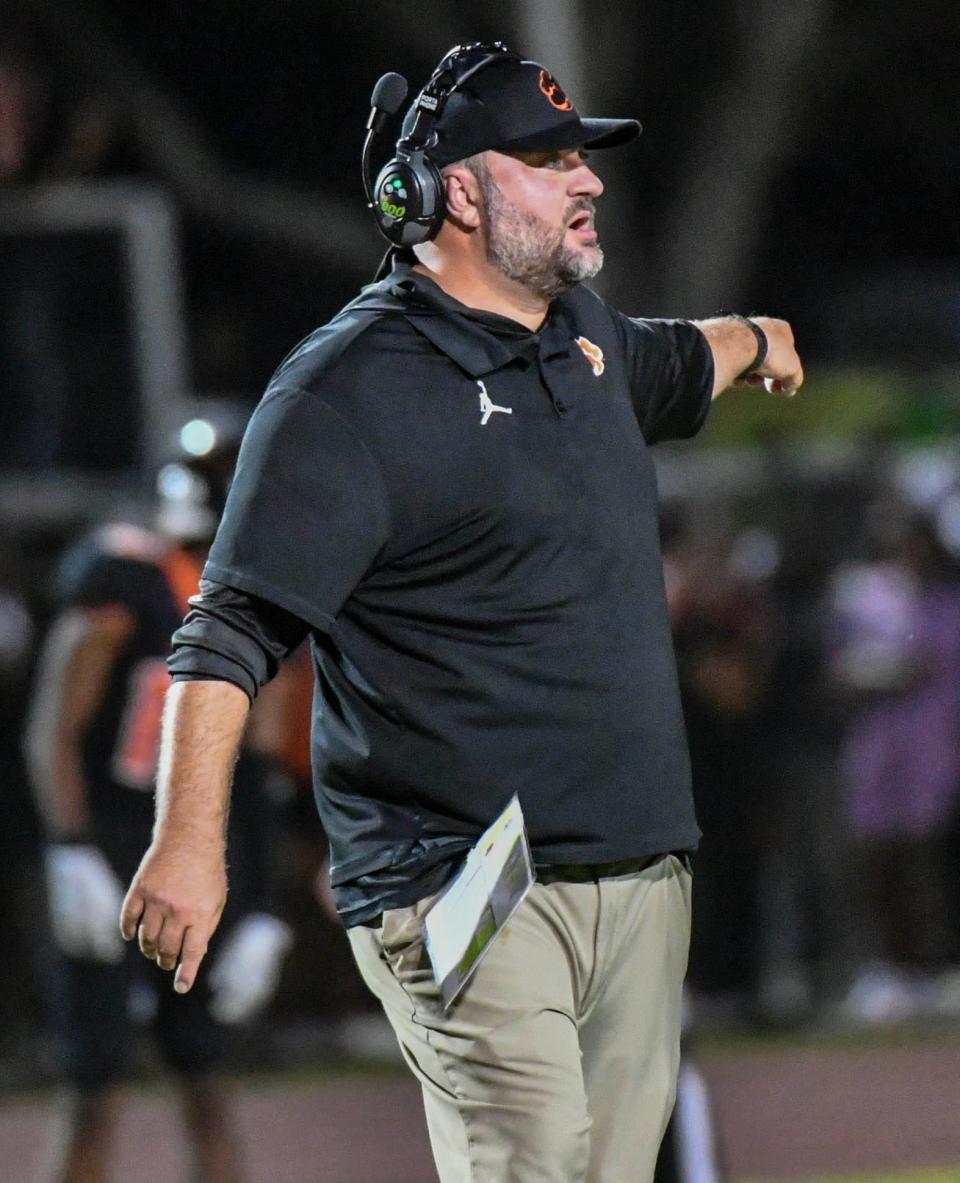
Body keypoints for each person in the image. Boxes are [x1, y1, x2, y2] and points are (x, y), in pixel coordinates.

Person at [121, 44, 803, 1183]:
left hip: (640, 865)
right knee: (532, 1167)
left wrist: (761, 340)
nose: (585, 177)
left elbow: (690, 356)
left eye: (581, 154)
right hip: (467, 875)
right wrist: (188, 843)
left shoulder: (584, 340)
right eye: (547, 159)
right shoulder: (347, 391)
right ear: (458, 193)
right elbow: (228, 633)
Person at [25, 407, 293, 1183]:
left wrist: (267, 909)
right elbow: (55, 730)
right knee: (97, 1089)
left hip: (203, 850)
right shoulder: (124, 577)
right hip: (112, 839)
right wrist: (70, 849)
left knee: (209, 1082)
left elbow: (265, 767)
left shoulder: (264, 594)